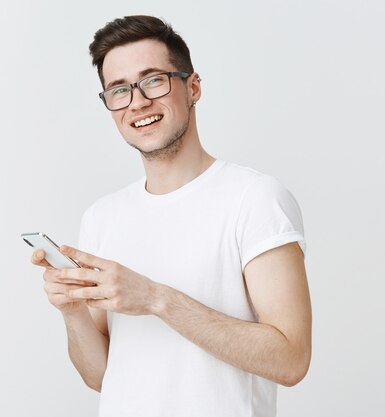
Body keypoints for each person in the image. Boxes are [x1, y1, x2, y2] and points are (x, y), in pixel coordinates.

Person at [30, 15, 312, 417]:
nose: (138, 102)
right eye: (119, 90)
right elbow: (100, 376)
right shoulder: (102, 217)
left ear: (192, 86)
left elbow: (291, 360)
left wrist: (156, 298)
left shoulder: (255, 199)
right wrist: (72, 311)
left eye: (154, 81)